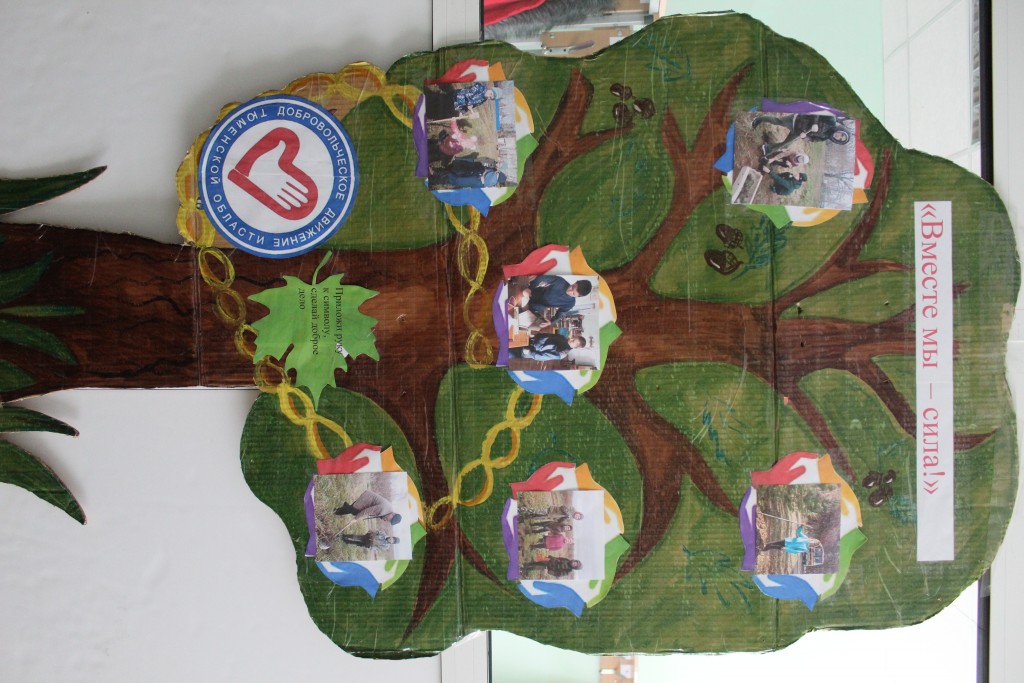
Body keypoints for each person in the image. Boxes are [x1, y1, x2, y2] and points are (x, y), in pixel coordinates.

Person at [751, 112, 851, 156]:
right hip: (798, 120)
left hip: (799, 132)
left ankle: (767, 149)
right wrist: (815, 123)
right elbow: (818, 111)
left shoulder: (825, 137)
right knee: (778, 121)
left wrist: (805, 137)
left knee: (786, 145)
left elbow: (813, 139)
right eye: (842, 135)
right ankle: (758, 119)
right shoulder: (831, 120)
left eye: (840, 139)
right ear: (841, 130)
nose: (839, 136)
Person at [527, 275, 593, 319]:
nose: (569, 291)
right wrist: (530, 288)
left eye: (573, 293)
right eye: (572, 287)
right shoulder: (560, 281)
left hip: (537, 307)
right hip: (534, 293)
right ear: (575, 282)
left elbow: (560, 313)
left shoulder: (570, 303)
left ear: (578, 296)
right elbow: (542, 278)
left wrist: (551, 322)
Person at [334, 489, 403, 527]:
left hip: (369, 500)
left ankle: (346, 506)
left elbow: (382, 516)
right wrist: (355, 519)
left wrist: (384, 518)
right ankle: (336, 511)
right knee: (353, 511)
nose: (388, 521)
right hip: (365, 499)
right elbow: (367, 511)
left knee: (353, 511)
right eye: (390, 520)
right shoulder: (383, 510)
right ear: (393, 514)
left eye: (390, 522)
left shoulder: (389, 511)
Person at [511, 332, 585, 361]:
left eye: (573, 341)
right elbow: (548, 335)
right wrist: (536, 335)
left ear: (575, 347)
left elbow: (542, 357)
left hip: (526, 350)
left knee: (507, 352)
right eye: (573, 337)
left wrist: (529, 353)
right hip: (528, 339)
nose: (571, 339)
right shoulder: (563, 337)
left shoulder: (562, 353)